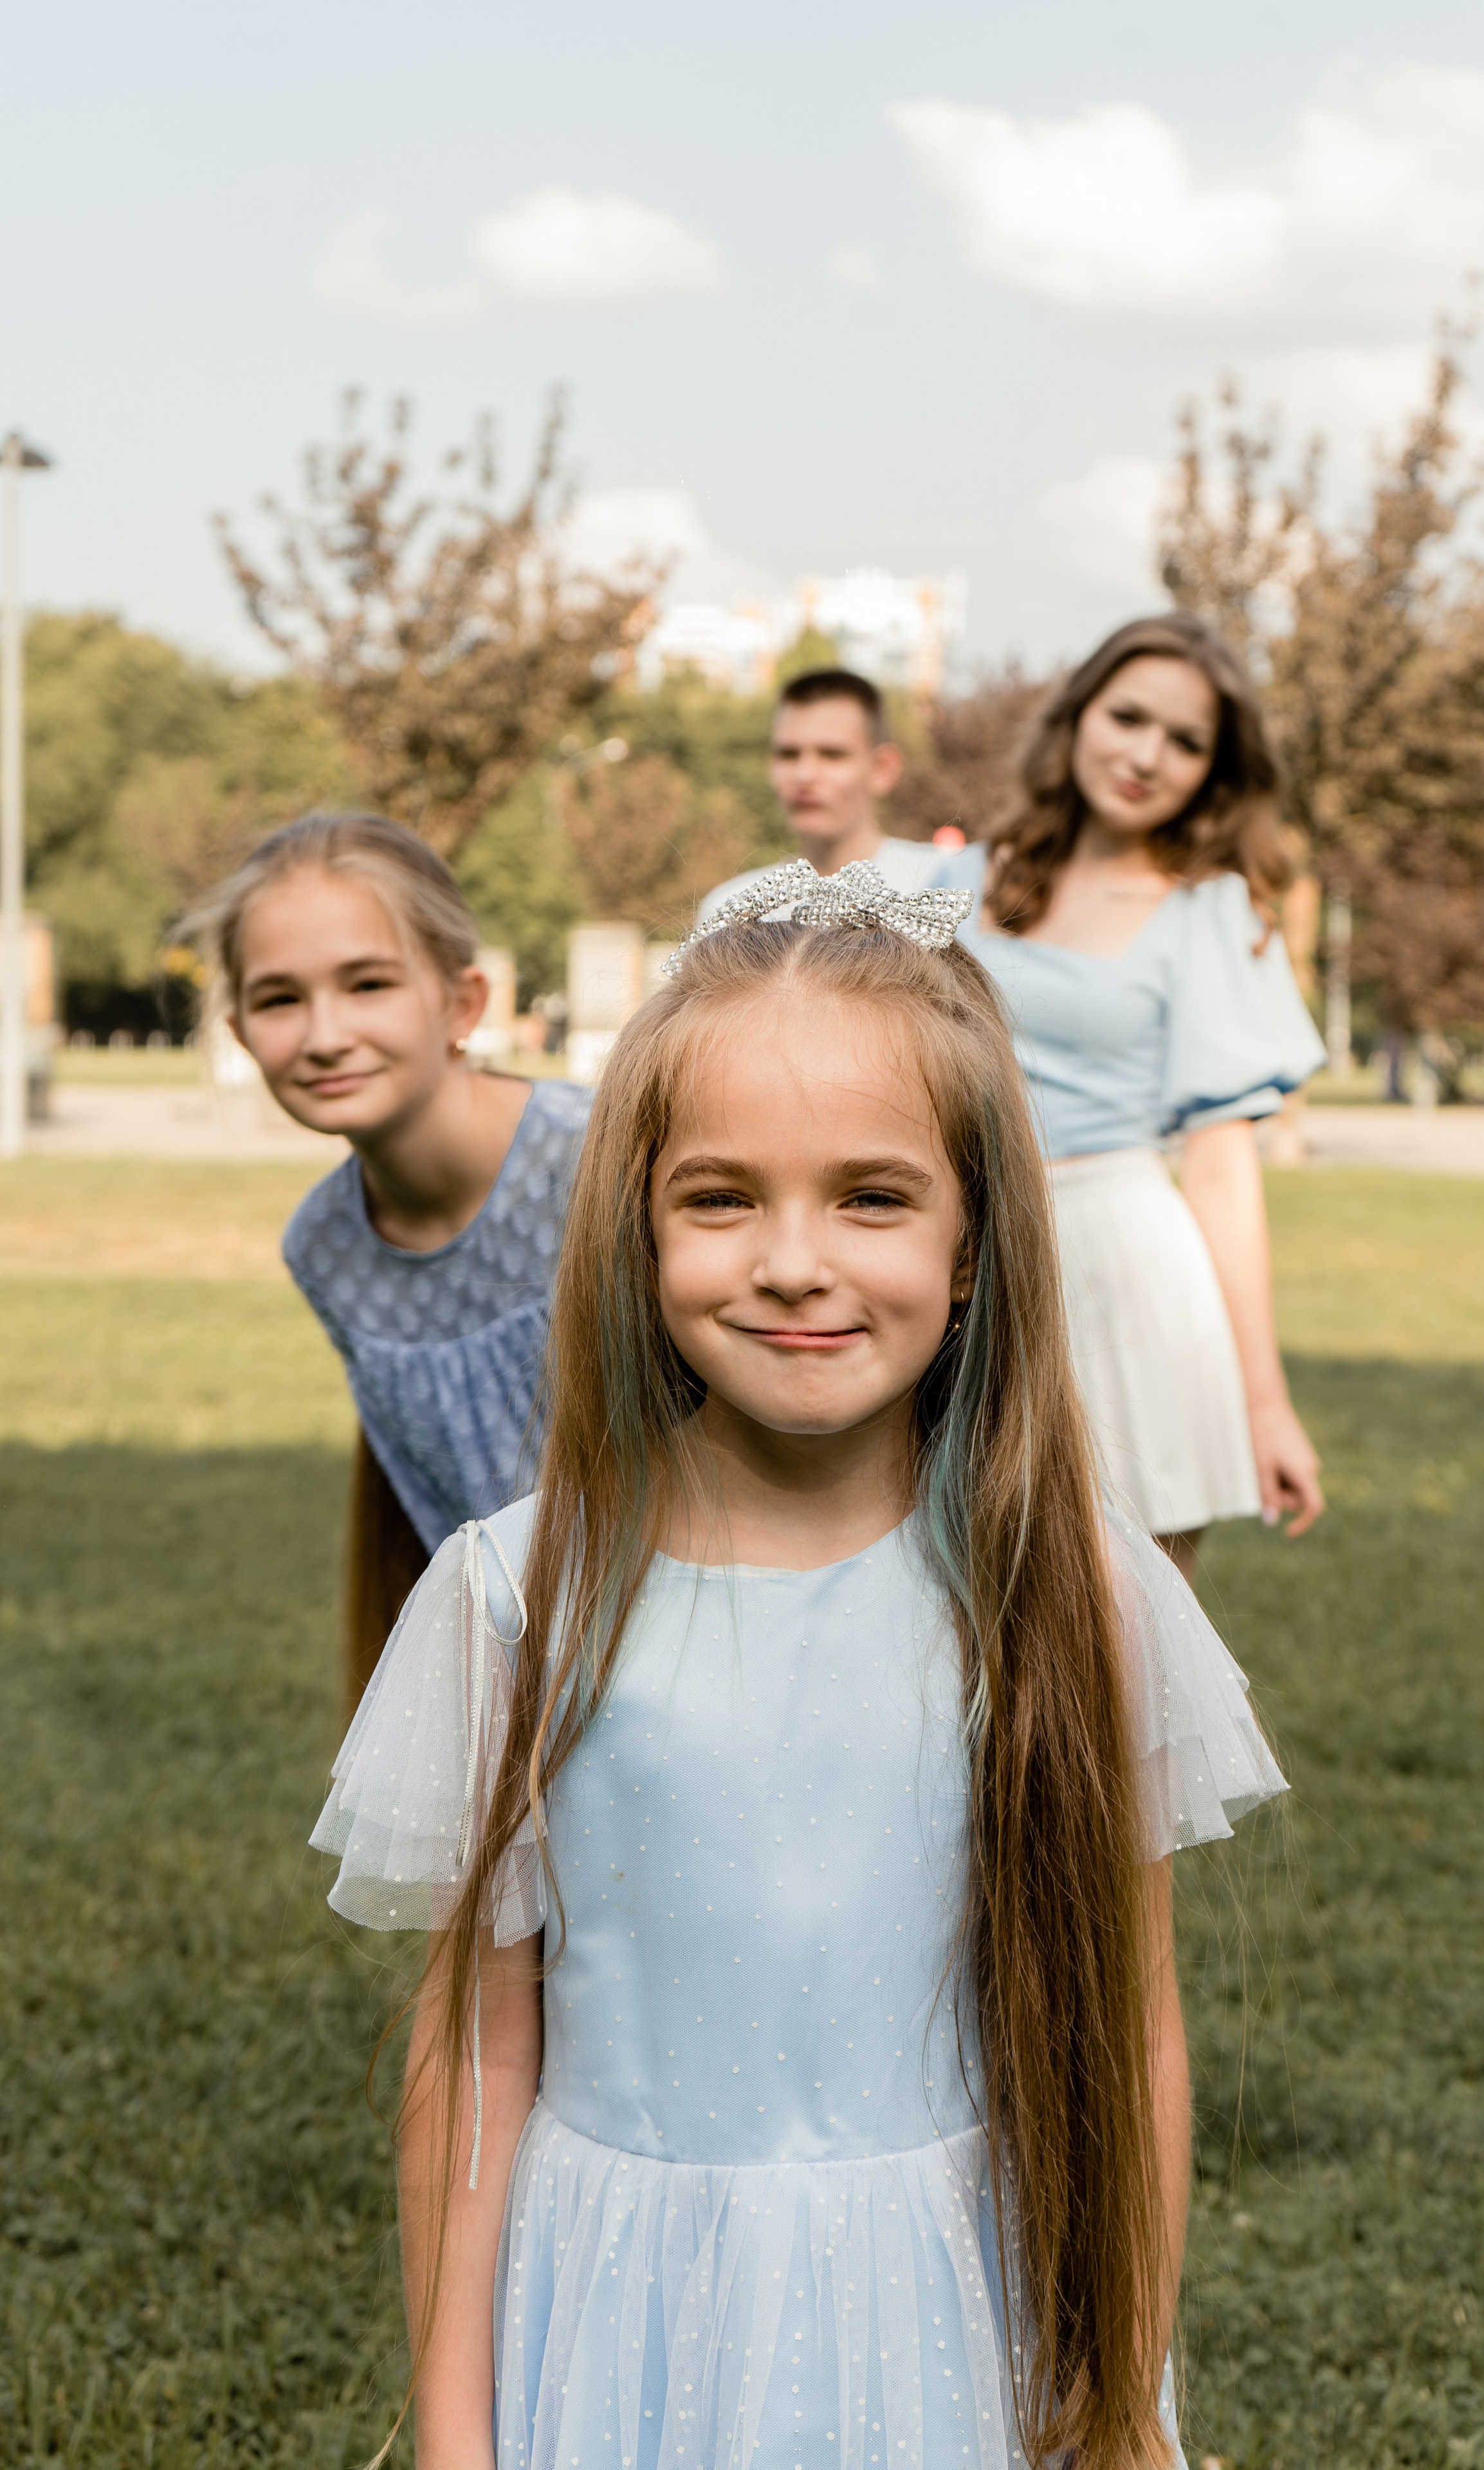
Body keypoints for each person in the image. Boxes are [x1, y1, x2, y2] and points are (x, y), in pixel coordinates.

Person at [311, 867, 1287, 2469]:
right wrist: (451, 2427)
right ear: (636, 1228)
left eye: (871, 1195)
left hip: (961, 2316)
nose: (790, 1259)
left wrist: (1115, 2389)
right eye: (718, 1196)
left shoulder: (1073, 1589)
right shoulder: (515, 1596)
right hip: (622, 2314)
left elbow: (1131, 2019)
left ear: (975, 1241)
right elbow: (476, 2047)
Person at [931, 613, 1327, 1586]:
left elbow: (1223, 1163)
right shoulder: (968, 878)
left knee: (1126, 1643)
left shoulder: (1212, 911)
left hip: (1119, 1262)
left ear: (1215, 772)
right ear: (1078, 715)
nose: (1147, 756)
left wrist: (1264, 1400)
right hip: (956, 1248)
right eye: (1129, 716)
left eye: (1187, 742)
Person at [187, 812, 591, 1708]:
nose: (324, 1033)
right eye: (281, 999)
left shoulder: (598, 1161)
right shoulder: (324, 1246)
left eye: (367, 984)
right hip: (522, 1673)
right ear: (245, 1032)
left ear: (462, 1002)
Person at [696, 664, 947, 923]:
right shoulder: (731, 909)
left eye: (832, 755)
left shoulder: (942, 887)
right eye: (788, 755)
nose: (805, 775)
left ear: (882, 769)